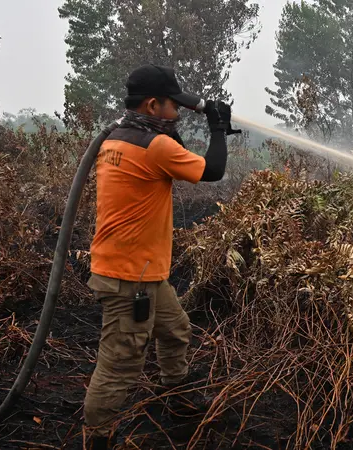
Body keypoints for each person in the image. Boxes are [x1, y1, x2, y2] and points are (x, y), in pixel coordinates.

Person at [84, 64, 234, 450]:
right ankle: (98, 439)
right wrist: (218, 127)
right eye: (173, 106)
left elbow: (174, 147)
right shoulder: (155, 146)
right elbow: (214, 171)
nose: (179, 112)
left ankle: (177, 400)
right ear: (153, 105)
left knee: (174, 328)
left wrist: (186, 123)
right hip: (129, 278)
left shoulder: (119, 138)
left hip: (140, 270)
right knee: (119, 365)